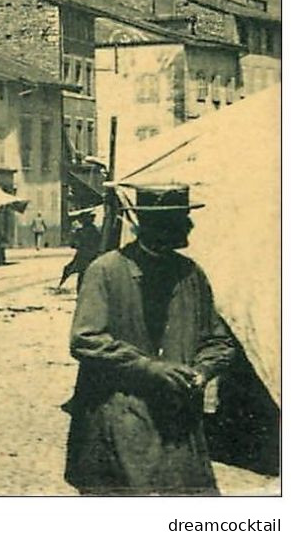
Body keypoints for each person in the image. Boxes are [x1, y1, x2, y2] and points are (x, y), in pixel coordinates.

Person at [63, 185, 237, 495]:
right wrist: (149, 368)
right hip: (117, 418)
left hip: (176, 424)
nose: (190, 226)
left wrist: (202, 371)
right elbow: (85, 339)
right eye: (181, 219)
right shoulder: (105, 271)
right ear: (154, 225)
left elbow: (218, 340)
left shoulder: (190, 274)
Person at [57, 215, 103, 292]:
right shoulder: (95, 231)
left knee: (78, 273)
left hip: (83, 255)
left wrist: (74, 234)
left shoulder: (81, 231)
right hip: (92, 255)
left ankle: (64, 286)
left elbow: (73, 244)